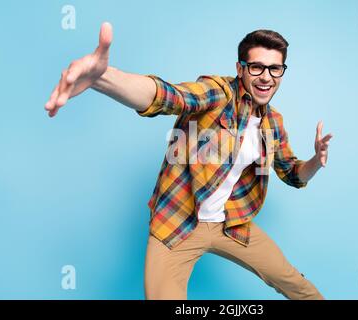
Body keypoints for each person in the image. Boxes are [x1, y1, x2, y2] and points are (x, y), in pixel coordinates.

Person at [45, 22, 332, 300]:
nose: (266, 77)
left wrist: (316, 162)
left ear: (282, 72)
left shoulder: (273, 122)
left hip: (230, 223)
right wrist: (103, 77)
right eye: (256, 67)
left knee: (296, 285)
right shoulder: (218, 93)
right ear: (240, 69)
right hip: (178, 221)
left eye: (275, 68)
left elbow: (293, 174)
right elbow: (172, 96)